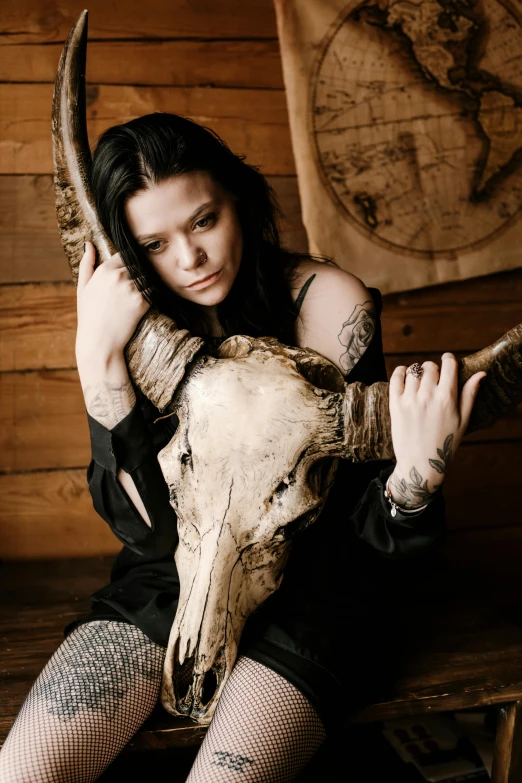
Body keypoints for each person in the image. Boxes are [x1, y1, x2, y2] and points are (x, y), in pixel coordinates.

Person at [0, 113, 485, 783]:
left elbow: (368, 535)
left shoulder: (330, 305)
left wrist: (415, 478)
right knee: (26, 769)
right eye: (156, 242)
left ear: (240, 200)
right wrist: (98, 362)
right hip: (175, 576)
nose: (190, 259)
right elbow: (146, 537)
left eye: (203, 221)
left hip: (315, 592)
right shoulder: (135, 319)